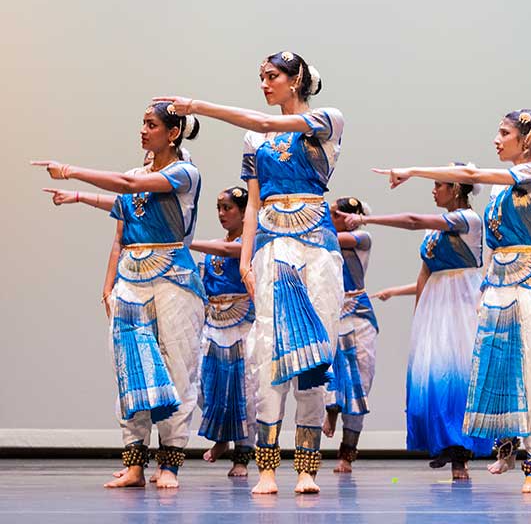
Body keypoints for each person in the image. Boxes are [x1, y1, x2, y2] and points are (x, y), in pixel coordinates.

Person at [157, 50, 344, 494]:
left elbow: (266, 123)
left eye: (273, 76)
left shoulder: (328, 120)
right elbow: (254, 202)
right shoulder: (253, 143)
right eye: (261, 77)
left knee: (313, 357)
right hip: (271, 246)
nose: (265, 83)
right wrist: (244, 257)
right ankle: (265, 469)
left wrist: (199, 107)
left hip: (316, 246)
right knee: (267, 355)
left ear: (295, 80)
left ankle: (306, 470)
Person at [371, 110, 531, 494]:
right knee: (496, 370)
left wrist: (412, 169)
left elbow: (475, 177)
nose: (497, 139)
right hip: (499, 286)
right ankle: (506, 445)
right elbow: (493, 248)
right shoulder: (499, 191)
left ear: (526, 138)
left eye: (504, 132)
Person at [33, 102, 204, 489]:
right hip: (131, 277)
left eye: (152, 124)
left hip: (173, 277)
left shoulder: (185, 173)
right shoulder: (135, 175)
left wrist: (71, 170)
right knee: (130, 366)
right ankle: (134, 465)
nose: (143, 130)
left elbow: (129, 189)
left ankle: (170, 465)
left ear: (173, 133)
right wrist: (108, 285)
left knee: (177, 367)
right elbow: (123, 215)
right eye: (142, 124)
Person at [340, 168, 491, 480]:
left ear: (457, 189)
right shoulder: (432, 233)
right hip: (435, 301)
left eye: (439, 185)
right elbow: (424, 273)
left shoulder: (469, 220)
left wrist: (367, 220)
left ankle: (461, 452)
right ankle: (442, 443)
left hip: (460, 297)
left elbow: (412, 221)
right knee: (432, 374)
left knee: (457, 373)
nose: (434, 191)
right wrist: (418, 314)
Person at [191, 187, 258, 477]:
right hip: (214, 324)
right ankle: (221, 436)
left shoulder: (251, 243)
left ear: (245, 212)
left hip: (243, 323)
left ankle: (242, 456)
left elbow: (231, 251)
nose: (221, 213)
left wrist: (186, 242)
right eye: (218, 207)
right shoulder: (212, 249)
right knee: (206, 385)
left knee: (245, 389)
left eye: (228, 208)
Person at [322, 196, 378, 474]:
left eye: (335, 214)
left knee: (359, 382)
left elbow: (329, 238)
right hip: (332, 313)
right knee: (329, 374)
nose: (330, 218)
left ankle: (347, 453)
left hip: (358, 316)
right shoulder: (325, 241)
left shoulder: (361, 238)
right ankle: (331, 410)